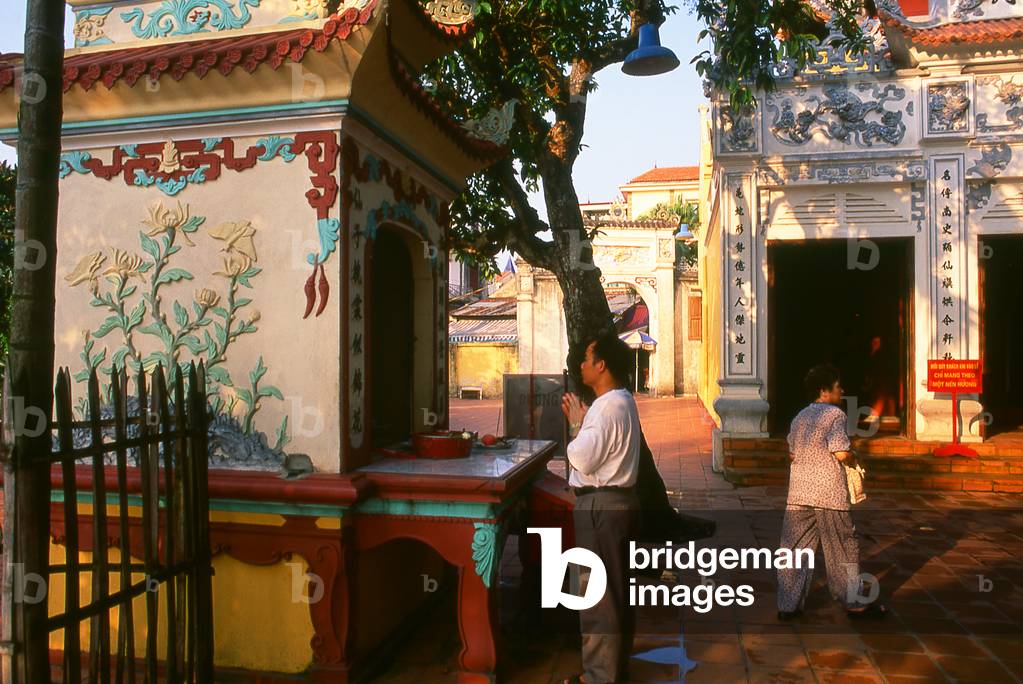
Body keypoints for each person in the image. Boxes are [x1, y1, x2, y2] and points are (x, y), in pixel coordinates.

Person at [560, 332, 642, 684]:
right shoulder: (622, 401)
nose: (581, 364)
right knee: (617, 592)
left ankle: (598, 677)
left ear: (601, 365)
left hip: (601, 506)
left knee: (596, 596)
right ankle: (613, 670)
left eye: (587, 357)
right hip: (620, 504)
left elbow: (582, 456)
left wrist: (577, 426)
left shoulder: (607, 407)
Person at [776, 363, 888, 620]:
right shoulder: (834, 415)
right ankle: (854, 602)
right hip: (829, 493)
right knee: (842, 548)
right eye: (838, 386)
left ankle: (788, 605)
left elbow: (792, 453)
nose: (842, 390)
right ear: (824, 391)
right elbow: (840, 452)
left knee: (794, 549)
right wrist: (853, 456)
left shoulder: (800, 417)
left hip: (799, 491)